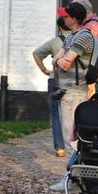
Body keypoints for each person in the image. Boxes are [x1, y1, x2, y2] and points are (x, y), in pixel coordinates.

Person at [53, 2, 95, 160]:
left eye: (66, 15)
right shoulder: (71, 36)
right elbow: (57, 59)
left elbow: (65, 61)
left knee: (71, 137)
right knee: (67, 135)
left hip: (75, 92)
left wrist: (58, 59)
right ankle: (73, 174)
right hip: (67, 91)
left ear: (75, 19)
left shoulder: (83, 36)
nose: (62, 17)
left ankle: (74, 175)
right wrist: (58, 59)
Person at [32, 15, 71, 157]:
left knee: (56, 113)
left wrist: (44, 70)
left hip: (55, 79)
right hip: (73, 82)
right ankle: (73, 144)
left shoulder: (55, 42)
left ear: (59, 27)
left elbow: (36, 53)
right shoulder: (79, 40)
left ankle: (60, 147)